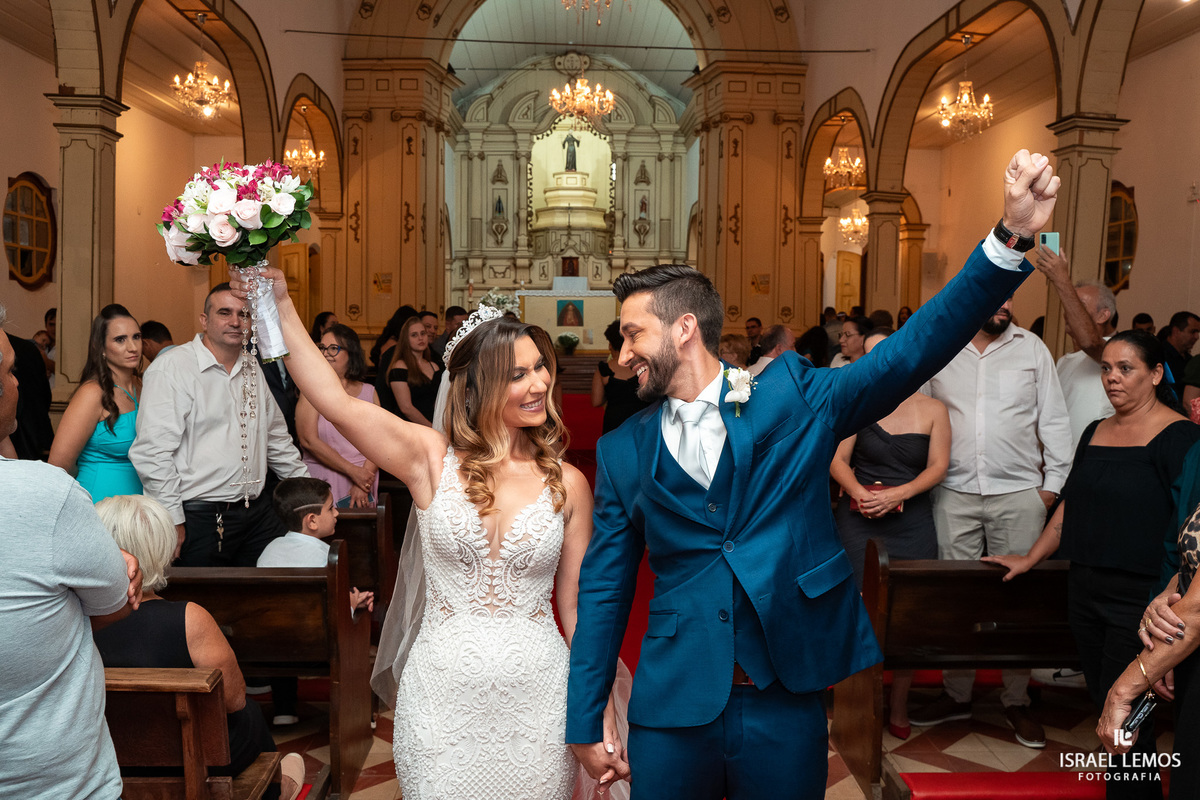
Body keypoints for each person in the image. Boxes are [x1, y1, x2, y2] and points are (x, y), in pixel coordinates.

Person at [566, 150, 1060, 798]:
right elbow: (604, 590)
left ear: (684, 329)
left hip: (784, 694)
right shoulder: (623, 451)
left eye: (633, 335)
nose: (623, 356)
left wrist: (1010, 238)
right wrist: (583, 720)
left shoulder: (790, 397)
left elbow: (912, 353)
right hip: (670, 704)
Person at [227, 268, 613, 800]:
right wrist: (281, 303)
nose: (541, 383)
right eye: (520, 373)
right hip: (442, 696)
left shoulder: (567, 483)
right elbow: (335, 402)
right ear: (479, 384)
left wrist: (599, 705)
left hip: (540, 698)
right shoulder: (430, 460)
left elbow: (578, 610)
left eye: (541, 368)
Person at [986, 332, 1200, 798]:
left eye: (1126, 368)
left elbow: (1188, 527)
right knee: (1107, 711)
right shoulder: (1094, 430)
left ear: (1157, 374)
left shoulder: (1179, 436)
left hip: (1143, 599)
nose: (1112, 378)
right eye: (1106, 368)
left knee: (1130, 723)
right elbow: (1070, 505)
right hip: (1085, 589)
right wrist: (1031, 556)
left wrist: (1174, 603)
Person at [910, 294, 1073, 748]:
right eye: (993, 293)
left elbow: (1054, 420)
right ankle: (956, 692)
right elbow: (920, 414)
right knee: (954, 595)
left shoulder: (1033, 348)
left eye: (1009, 295)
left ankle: (1016, 699)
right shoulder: (942, 349)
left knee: (1017, 597)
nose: (1004, 302)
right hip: (952, 492)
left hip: (1020, 493)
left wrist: (1049, 489)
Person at [0, 301, 145, 800]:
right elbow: (115, 599)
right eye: (11, 372)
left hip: (123, 512)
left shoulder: (145, 388)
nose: (20, 382)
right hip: (56, 778)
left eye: (136, 337)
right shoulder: (89, 399)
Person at [90, 494, 303, 800]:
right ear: (162, 549)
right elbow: (233, 700)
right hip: (193, 762)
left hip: (105, 758)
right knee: (250, 714)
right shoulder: (190, 618)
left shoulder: (74, 620)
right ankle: (277, 790)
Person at [130, 283, 309, 567]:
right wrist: (172, 519)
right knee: (202, 602)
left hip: (258, 513)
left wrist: (310, 493)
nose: (236, 322)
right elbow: (152, 453)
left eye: (244, 314)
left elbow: (276, 440)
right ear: (204, 320)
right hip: (198, 515)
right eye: (225, 313)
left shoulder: (252, 367)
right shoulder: (172, 368)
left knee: (263, 602)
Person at [830, 329, 950, 740]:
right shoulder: (858, 406)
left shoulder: (934, 408)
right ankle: (858, 704)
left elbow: (937, 468)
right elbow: (837, 460)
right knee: (855, 611)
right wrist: (862, 494)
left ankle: (898, 703)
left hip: (912, 521)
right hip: (859, 517)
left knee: (907, 615)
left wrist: (898, 493)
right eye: (870, 355)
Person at [259, 478, 373, 727]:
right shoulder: (328, 555)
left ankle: (284, 710)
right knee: (357, 623)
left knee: (281, 629)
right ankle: (357, 712)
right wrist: (354, 604)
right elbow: (337, 608)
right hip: (320, 646)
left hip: (272, 647)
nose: (336, 513)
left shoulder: (269, 550)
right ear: (311, 520)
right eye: (331, 508)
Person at [49, 304, 144, 502]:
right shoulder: (92, 393)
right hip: (100, 505)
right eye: (120, 340)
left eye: (136, 337)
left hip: (141, 510)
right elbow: (57, 467)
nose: (133, 347)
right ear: (100, 347)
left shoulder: (142, 385)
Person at [1036, 245, 1120, 447]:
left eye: (1078, 304)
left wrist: (1061, 279)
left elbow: (1089, 342)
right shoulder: (1063, 362)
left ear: (1103, 315)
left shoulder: (1114, 350)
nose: (1069, 310)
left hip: (1094, 466)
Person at [298, 325, 380, 508]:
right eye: (322, 348)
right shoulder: (311, 390)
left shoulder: (369, 392)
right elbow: (307, 440)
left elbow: (380, 441)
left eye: (333, 348)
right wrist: (352, 472)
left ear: (351, 352)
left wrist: (363, 481)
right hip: (324, 479)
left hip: (363, 480)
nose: (326, 353)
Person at [591, 319, 650, 434]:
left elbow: (596, 401)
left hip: (614, 422)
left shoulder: (604, 370)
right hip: (643, 421)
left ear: (611, 344)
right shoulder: (644, 367)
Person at [387, 316, 443, 426]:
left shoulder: (434, 366)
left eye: (423, 333)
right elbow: (406, 408)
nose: (420, 338)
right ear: (406, 340)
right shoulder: (400, 367)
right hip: (411, 428)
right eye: (414, 335)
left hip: (435, 424)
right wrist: (431, 428)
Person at [1161, 311, 1200, 400]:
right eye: (1193, 332)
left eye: (1197, 332)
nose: (1197, 336)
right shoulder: (1159, 355)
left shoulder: (1190, 360)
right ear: (1176, 331)